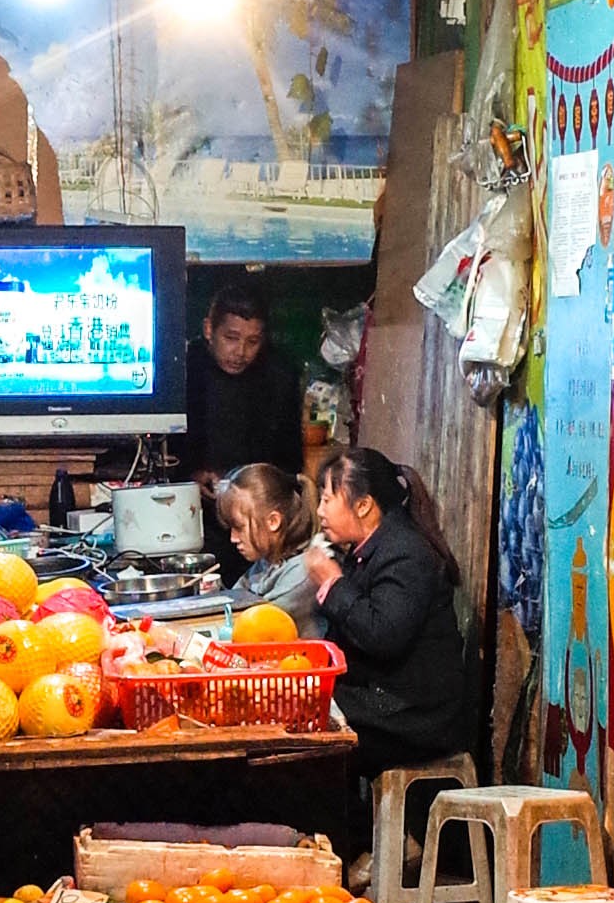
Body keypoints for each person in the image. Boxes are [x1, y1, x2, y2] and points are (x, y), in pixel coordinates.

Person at [307, 443, 472, 770]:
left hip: (415, 717)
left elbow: (383, 636)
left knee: (308, 724)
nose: (320, 511)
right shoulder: (367, 549)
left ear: (364, 505)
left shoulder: (405, 553)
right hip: (386, 700)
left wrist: (334, 583)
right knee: (302, 702)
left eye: (327, 500)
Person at [184, 272, 304, 488]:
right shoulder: (185, 370)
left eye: (253, 341)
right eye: (231, 338)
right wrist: (191, 476)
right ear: (208, 329)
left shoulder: (279, 376)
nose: (241, 352)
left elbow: (290, 459)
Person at [212, 461, 320, 616]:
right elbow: (234, 601)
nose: (233, 538)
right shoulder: (265, 563)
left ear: (273, 521)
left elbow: (258, 620)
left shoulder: (303, 573)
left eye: (239, 528)